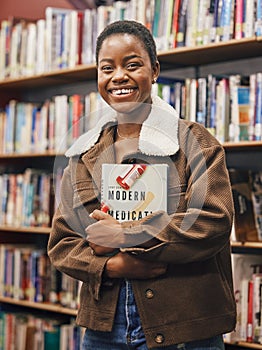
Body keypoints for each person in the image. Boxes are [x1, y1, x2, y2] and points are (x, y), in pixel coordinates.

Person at [48, 20, 236, 349]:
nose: (119, 76)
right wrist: (111, 266)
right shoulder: (83, 156)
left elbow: (212, 221)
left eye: (132, 64)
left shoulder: (196, 143)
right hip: (105, 329)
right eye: (107, 68)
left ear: (155, 70)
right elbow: (63, 244)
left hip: (183, 326)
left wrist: (127, 234)